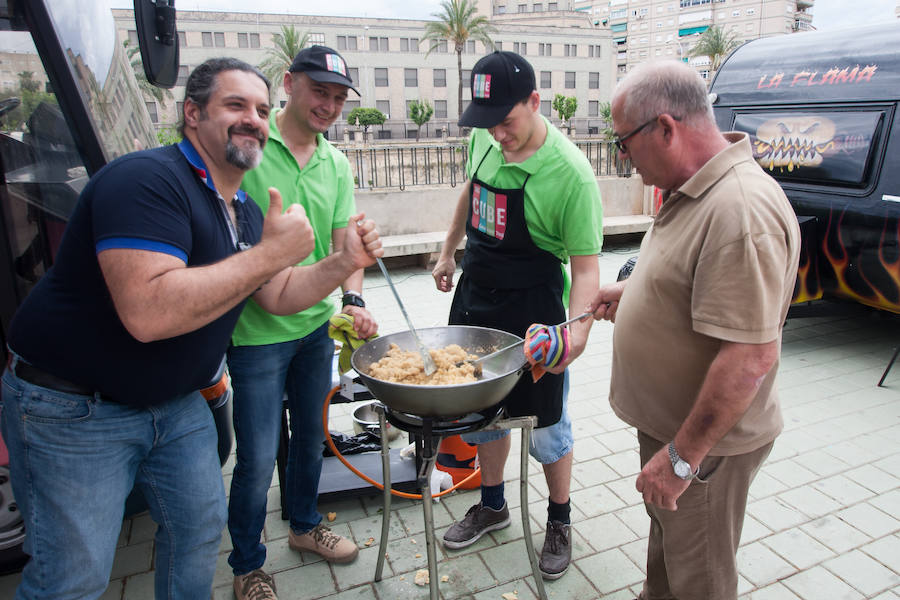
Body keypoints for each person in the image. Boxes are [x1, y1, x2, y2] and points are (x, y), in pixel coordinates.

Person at [0, 57, 382, 600]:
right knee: (74, 577)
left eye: (258, 108)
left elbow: (276, 295)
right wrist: (273, 253)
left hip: (176, 403)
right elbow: (149, 313)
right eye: (235, 105)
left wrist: (342, 264)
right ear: (192, 114)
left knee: (197, 534)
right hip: (76, 410)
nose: (252, 118)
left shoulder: (244, 211)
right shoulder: (146, 181)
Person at [589, 60, 800, 600]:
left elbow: (750, 357)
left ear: (665, 127)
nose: (623, 157)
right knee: (668, 562)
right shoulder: (695, 187)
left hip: (704, 449)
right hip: (674, 432)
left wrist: (682, 458)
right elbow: (690, 286)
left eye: (624, 142)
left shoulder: (740, 210)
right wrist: (634, 296)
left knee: (700, 579)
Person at [432, 51, 603, 580]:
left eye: (506, 121)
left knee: (547, 423)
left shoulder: (571, 175)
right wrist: (447, 251)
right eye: (487, 122)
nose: (496, 134)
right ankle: (493, 504)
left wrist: (575, 335)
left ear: (534, 102)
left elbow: (588, 269)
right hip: (476, 296)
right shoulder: (483, 135)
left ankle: (559, 519)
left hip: (534, 309)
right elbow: (471, 192)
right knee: (483, 416)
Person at [225, 46, 375, 600]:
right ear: (289, 84)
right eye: (320, 92)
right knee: (260, 454)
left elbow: (345, 250)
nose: (329, 105)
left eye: (339, 97)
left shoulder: (336, 163)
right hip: (257, 337)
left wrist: (353, 303)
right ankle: (247, 564)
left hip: (315, 330)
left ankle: (307, 527)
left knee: (312, 438)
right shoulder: (248, 154)